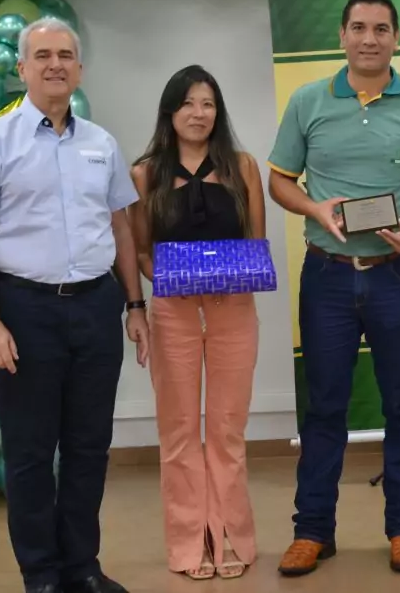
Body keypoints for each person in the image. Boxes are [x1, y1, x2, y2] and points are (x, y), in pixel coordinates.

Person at [267, 0, 400, 576]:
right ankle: (312, 531)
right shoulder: (308, 102)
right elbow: (279, 181)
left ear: (396, 38)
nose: (369, 38)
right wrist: (314, 209)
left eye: (381, 28)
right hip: (326, 275)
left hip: (397, 274)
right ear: (342, 36)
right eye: (359, 27)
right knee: (325, 405)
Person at [0, 17, 148, 593]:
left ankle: (83, 567)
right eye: (42, 55)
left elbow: (120, 228)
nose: (55, 64)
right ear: (22, 69)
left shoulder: (100, 144)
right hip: (24, 310)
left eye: (65, 54)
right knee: (32, 453)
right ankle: (41, 574)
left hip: (96, 307)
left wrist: (135, 307)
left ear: (79, 69)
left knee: (89, 446)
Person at [127, 65, 265, 581]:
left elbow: (256, 242)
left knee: (228, 430)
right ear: (170, 111)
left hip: (234, 311)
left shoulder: (242, 166)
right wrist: (177, 278)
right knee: (180, 431)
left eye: (207, 104)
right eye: (188, 103)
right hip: (173, 313)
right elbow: (141, 250)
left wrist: (233, 276)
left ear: (218, 112)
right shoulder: (145, 173)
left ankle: (231, 534)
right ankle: (191, 542)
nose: (198, 113)